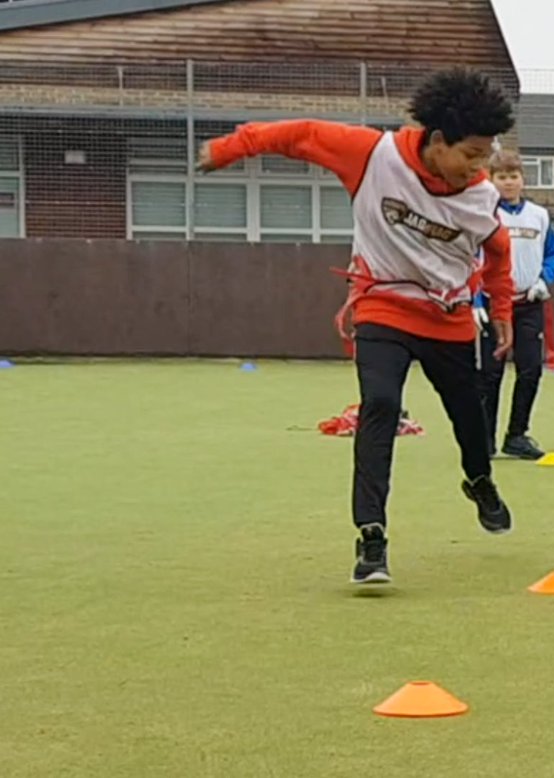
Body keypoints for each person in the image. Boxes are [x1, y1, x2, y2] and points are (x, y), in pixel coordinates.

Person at [198, 68, 518, 585]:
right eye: (472, 155)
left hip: (450, 318)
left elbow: (499, 253)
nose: (480, 167)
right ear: (437, 142)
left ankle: (479, 479)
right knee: (381, 406)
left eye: (487, 156)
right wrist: (229, 148)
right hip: (383, 307)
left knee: (470, 419)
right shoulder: (374, 156)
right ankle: (371, 536)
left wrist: (501, 309)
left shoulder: (480, 197)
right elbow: (298, 135)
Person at [475, 150, 554, 460]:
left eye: (514, 177)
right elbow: (470, 259)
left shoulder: (539, 215)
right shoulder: (484, 215)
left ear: (522, 180)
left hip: (528, 304)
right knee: (490, 373)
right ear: (491, 179)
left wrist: (544, 280)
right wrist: (475, 299)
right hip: (493, 304)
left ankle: (517, 434)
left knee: (530, 370)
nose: (509, 183)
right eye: (502, 177)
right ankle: (483, 439)